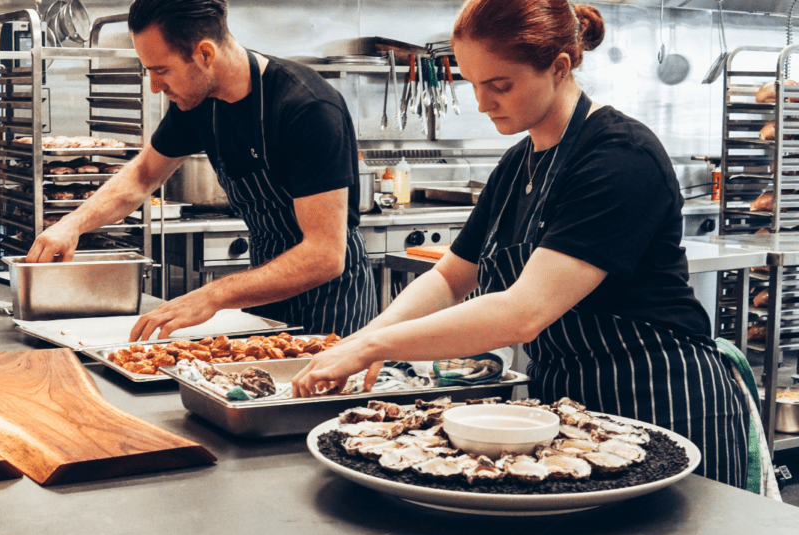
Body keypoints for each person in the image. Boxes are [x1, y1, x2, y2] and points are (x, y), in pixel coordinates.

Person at [292, 0, 749, 488]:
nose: (483, 102)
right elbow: (450, 277)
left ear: (559, 67)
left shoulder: (620, 156)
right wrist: (364, 339)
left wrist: (375, 345)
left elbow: (523, 312)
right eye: (472, 84)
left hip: (661, 399)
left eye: (500, 85)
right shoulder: (516, 166)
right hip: (570, 412)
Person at [26, 0, 377, 341]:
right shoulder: (198, 103)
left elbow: (324, 256)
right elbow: (142, 175)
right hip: (264, 300)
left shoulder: (306, 108)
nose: (154, 86)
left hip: (332, 309)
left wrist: (212, 295)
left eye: (161, 70)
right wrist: (72, 224)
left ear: (205, 54)